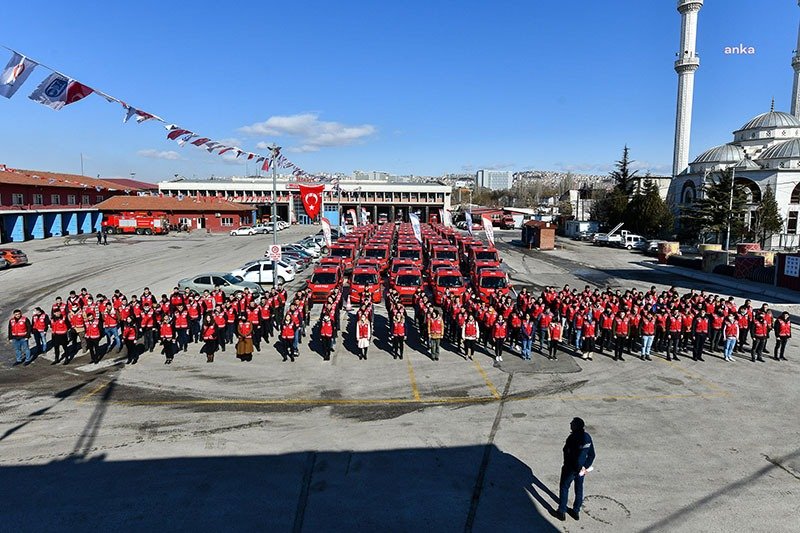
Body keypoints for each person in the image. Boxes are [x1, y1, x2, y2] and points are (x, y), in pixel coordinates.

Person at [555, 417, 596, 522]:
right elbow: (592, 455)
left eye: (572, 423)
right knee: (579, 489)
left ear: (576, 426)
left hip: (570, 469)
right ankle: (576, 511)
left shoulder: (572, 438)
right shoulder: (587, 437)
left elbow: (568, 453)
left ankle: (561, 511)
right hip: (581, 470)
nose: (570, 424)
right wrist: (585, 467)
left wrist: (577, 467)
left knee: (564, 487)